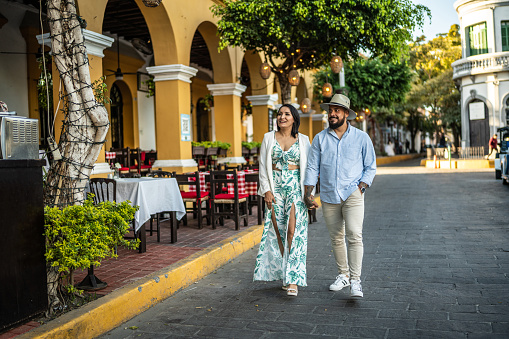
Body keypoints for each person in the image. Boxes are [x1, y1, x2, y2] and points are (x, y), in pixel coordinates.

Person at [304, 93, 376, 298]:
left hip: (352, 192)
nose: (332, 114)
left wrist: (361, 186)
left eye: (336, 110)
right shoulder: (319, 139)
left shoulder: (361, 137)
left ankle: (355, 281)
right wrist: (308, 194)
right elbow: (312, 167)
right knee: (336, 238)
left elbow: (370, 166)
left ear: (346, 114)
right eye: (330, 111)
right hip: (328, 195)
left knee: (354, 235)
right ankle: (343, 275)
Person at [253, 104, 312, 297]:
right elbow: (263, 166)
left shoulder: (303, 140)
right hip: (275, 190)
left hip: (295, 189)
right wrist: (266, 191)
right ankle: (285, 273)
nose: (282, 117)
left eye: (287, 114)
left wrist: (309, 194)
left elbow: (310, 170)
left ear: (294, 118)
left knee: (293, 232)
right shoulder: (268, 138)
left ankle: (293, 279)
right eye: (279, 114)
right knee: (277, 232)